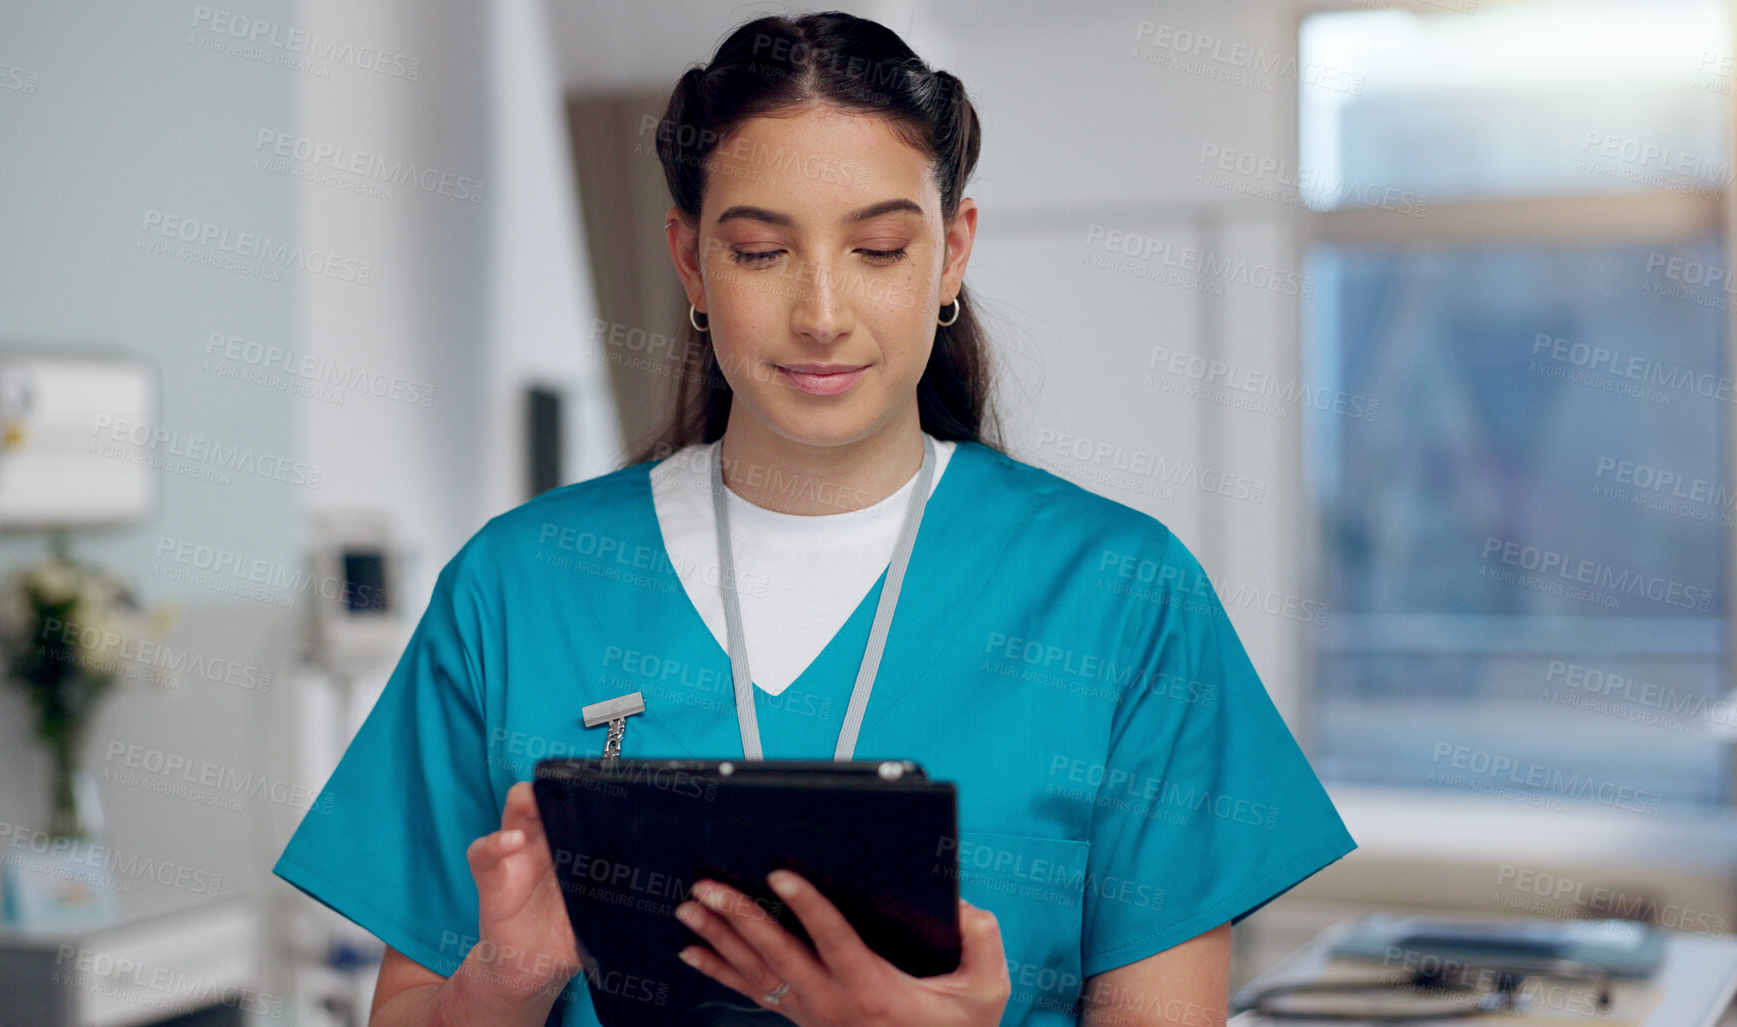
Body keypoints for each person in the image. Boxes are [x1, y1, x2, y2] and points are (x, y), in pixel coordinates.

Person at [273, 11, 1356, 1027]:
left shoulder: (1119, 595)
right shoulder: (519, 587)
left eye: (879, 250)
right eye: (760, 252)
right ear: (691, 260)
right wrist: (509, 975)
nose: (824, 313)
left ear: (953, 250)